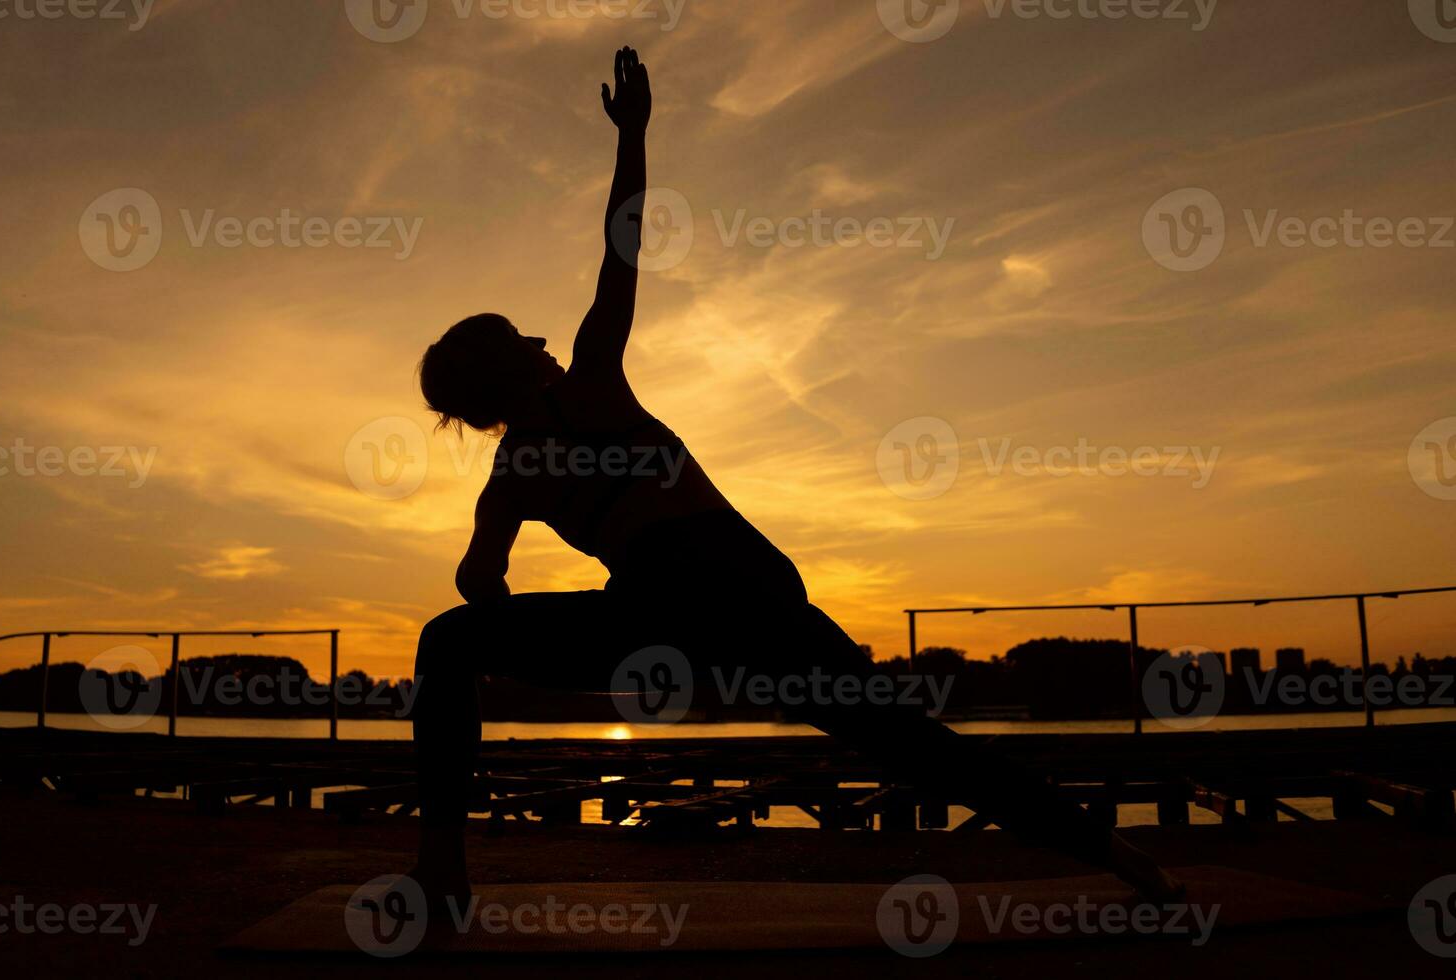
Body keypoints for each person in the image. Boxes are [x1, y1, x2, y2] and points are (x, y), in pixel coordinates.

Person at [410, 47, 1183, 915]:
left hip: (668, 614)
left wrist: (495, 588)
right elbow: (621, 243)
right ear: (508, 366)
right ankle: (1120, 857)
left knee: (447, 643)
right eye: (523, 338)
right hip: (742, 589)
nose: (542, 338)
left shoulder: (511, 476)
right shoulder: (587, 381)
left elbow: (477, 586)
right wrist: (635, 135)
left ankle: (443, 863)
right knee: (907, 741)